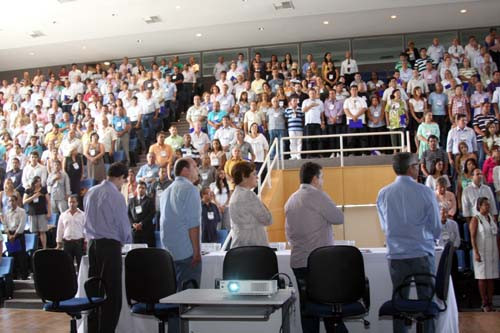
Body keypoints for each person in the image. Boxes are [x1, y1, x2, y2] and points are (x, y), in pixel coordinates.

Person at [376, 152, 441, 333]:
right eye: (416, 165)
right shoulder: (425, 192)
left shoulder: (383, 193)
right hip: (421, 252)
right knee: (426, 303)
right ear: (411, 168)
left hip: (396, 255)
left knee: (400, 303)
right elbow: (436, 227)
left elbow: (384, 226)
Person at [285, 162, 344, 333]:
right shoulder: (318, 196)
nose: (323, 181)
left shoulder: (291, 199)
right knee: (329, 308)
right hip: (320, 264)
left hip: (299, 262)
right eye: (322, 177)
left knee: (308, 311)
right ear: (315, 179)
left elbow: (289, 234)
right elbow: (339, 218)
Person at [84, 162, 131, 333]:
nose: (122, 185)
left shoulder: (91, 192)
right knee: (112, 294)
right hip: (110, 246)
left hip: (92, 245)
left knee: (95, 291)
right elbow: (123, 226)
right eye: (123, 181)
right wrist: (126, 241)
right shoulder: (116, 195)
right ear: (121, 178)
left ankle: (93, 329)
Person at [160, 158, 202, 289]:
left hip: (169, 252)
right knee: (189, 299)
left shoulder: (166, 191)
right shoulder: (191, 189)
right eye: (195, 167)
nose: (197, 171)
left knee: (175, 294)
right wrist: (196, 252)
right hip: (186, 251)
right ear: (185, 170)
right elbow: (193, 225)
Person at [228, 161, 272, 248]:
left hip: (240, 246)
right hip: (254, 246)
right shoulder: (248, 195)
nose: (257, 177)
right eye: (254, 174)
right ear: (244, 176)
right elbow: (268, 219)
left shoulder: (234, 195)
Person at [469, 197, 499, 312]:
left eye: (488, 204)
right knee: (482, 277)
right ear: (479, 206)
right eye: (485, 204)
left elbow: (496, 236)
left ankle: (490, 302)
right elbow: (472, 237)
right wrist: (476, 252)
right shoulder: (476, 219)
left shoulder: (492, 218)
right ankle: (484, 302)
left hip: (492, 252)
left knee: (491, 277)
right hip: (481, 252)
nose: (488, 206)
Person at [1, 195, 28, 279]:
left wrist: (15, 235)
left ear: (16, 201)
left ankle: (23, 275)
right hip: (10, 235)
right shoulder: (7, 212)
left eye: (13, 201)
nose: (11, 203)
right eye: (9, 201)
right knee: (12, 255)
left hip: (18, 235)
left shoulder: (22, 211)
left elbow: (22, 224)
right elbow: (4, 224)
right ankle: (13, 275)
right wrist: (9, 235)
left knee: (21, 257)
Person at [56, 195, 85, 272]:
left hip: (78, 242)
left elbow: (86, 229)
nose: (72, 204)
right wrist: (59, 242)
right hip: (67, 242)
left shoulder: (83, 215)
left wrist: (87, 241)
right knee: (67, 264)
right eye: (70, 202)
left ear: (77, 203)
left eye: (73, 202)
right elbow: (60, 229)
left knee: (80, 264)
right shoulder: (63, 215)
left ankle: (80, 281)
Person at [23, 176, 51, 249]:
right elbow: (24, 201)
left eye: (39, 181)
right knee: (34, 231)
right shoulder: (28, 190)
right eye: (37, 181)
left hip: (42, 212)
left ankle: (44, 247)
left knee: (42, 231)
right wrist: (34, 196)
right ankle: (35, 247)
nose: (38, 183)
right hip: (32, 213)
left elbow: (48, 201)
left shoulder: (43, 190)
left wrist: (49, 212)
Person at [128, 181, 155, 247]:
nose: (141, 189)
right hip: (135, 230)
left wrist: (141, 224)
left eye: (143, 188)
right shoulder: (131, 200)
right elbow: (128, 214)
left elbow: (151, 214)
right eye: (139, 187)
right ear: (136, 189)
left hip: (146, 231)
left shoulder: (150, 200)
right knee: (135, 252)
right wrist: (133, 224)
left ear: (145, 190)